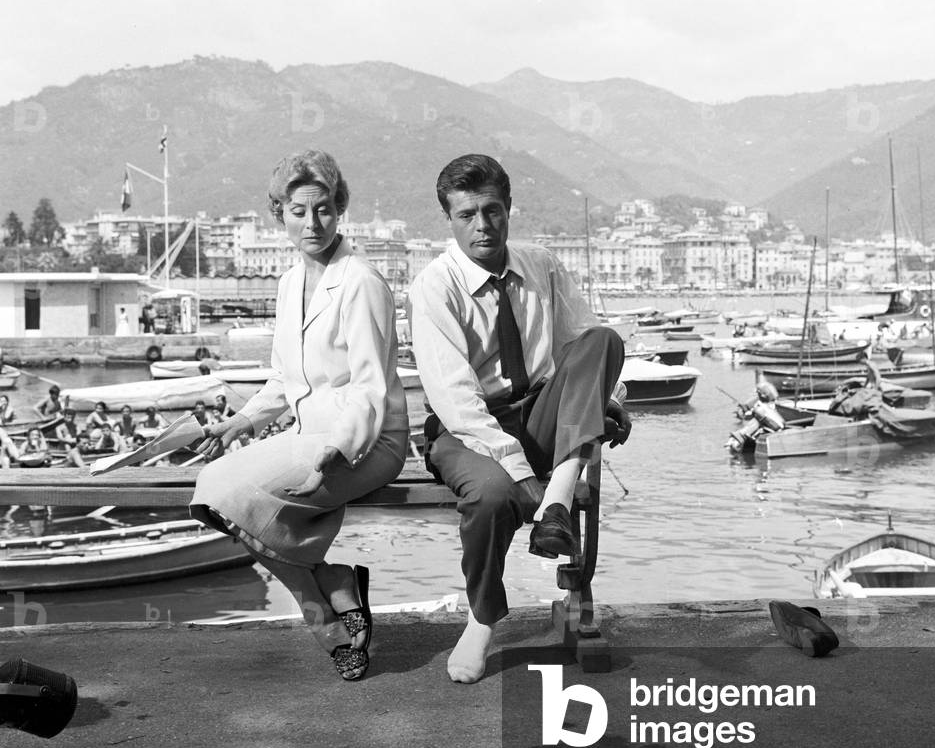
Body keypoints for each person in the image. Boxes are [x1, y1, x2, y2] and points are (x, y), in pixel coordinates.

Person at [408, 154, 632, 685]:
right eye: (467, 215)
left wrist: (611, 401)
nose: (482, 225)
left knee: (605, 340)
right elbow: (456, 399)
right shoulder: (434, 287)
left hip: (538, 412)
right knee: (490, 496)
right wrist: (522, 474)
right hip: (467, 428)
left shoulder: (542, 266)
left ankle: (556, 502)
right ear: (450, 219)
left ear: (509, 208)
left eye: (492, 210)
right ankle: (483, 618)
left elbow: (583, 347)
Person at [190, 149, 409, 681]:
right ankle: (333, 593)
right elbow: (284, 381)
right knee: (214, 499)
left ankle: (328, 608)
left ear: (340, 210)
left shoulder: (360, 281)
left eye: (325, 209)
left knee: (219, 491)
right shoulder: (290, 285)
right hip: (310, 437)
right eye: (298, 211)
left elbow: (371, 385)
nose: (313, 223)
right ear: (279, 214)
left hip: (369, 442)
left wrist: (340, 448)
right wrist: (238, 423)